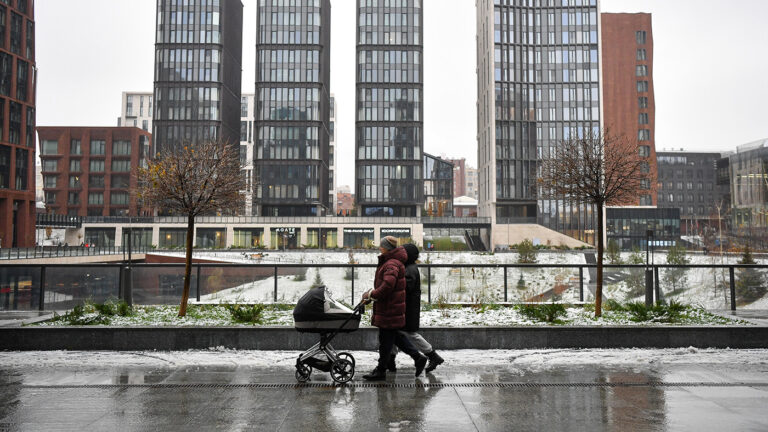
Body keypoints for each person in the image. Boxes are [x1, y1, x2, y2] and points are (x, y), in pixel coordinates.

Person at [361, 236, 428, 381]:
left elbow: (387, 286)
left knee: (386, 340)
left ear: (386, 248)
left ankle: (382, 370)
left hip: (389, 307)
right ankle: (416, 358)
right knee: (394, 337)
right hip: (391, 306)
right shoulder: (393, 262)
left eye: (381, 246)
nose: (380, 248)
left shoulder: (391, 264)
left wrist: (372, 294)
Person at [388, 244, 444, 373]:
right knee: (395, 332)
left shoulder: (410, 269)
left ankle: (432, 355)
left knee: (409, 334)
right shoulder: (409, 267)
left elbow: (405, 287)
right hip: (407, 307)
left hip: (408, 309)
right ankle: (390, 360)